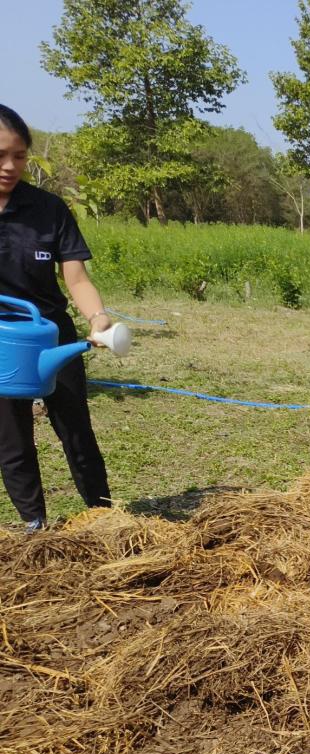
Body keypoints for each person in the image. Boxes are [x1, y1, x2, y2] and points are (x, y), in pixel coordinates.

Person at [0, 104, 112, 533]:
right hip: (3, 344)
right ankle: (35, 527)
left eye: (20, 156)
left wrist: (97, 316)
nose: (11, 166)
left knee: (76, 430)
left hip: (51, 338)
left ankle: (103, 516)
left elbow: (77, 278)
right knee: (12, 440)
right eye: (1, 156)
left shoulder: (49, 209)